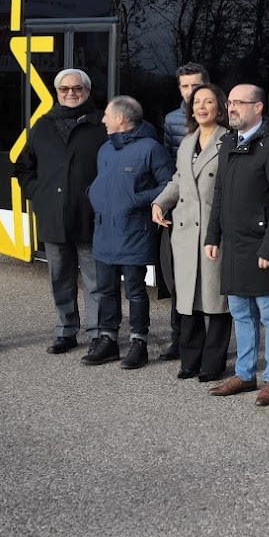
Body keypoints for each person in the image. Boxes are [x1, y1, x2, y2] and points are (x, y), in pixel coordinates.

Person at [204, 84, 269, 406]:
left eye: (239, 103)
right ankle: (244, 375)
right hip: (234, 245)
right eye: (229, 103)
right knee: (240, 312)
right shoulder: (229, 141)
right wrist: (212, 235)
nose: (231, 108)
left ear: (258, 107)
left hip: (261, 247)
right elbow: (219, 194)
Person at [15, 68, 107, 355]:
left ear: (87, 91)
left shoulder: (102, 125)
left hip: (90, 216)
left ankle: (97, 332)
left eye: (77, 88)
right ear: (57, 93)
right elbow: (23, 168)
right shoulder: (42, 126)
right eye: (64, 89)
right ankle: (66, 331)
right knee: (60, 278)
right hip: (53, 217)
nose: (71, 93)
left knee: (95, 280)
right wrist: (38, 196)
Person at [84, 96, 175, 368]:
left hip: (133, 232)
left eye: (107, 115)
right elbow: (102, 183)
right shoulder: (105, 150)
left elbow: (170, 184)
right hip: (104, 231)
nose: (103, 120)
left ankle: (139, 343)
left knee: (135, 291)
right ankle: (108, 340)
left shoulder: (151, 149)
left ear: (121, 119)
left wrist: (136, 200)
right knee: (105, 290)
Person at [153, 83, 233, 382]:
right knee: (188, 299)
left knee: (216, 301)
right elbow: (178, 179)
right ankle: (190, 360)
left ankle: (213, 363)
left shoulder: (229, 141)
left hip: (215, 232)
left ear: (219, 107)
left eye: (208, 101)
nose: (201, 107)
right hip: (185, 233)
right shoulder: (187, 142)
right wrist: (160, 202)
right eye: (197, 102)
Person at [156, 63, 210, 361]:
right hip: (180, 211)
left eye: (195, 85)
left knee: (208, 283)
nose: (190, 92)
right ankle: (179, 339)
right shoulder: (172, 119)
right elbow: (169, 166)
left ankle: (208, 345)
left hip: (209, 210)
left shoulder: (221, 115)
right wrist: (164, 202)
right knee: (178, 279)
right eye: (184, 86)